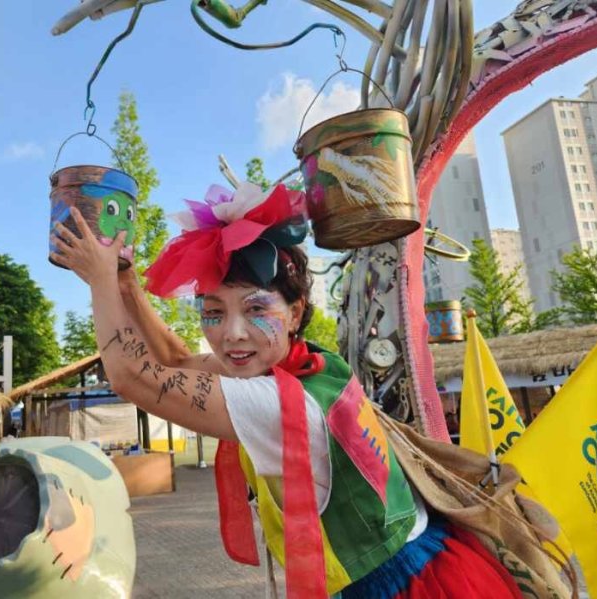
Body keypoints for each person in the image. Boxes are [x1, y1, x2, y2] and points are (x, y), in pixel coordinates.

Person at [49, 183, 548, 598]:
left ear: (295, 309)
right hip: (433, 561)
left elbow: (134, 377)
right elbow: (176, 359)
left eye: (256, 308)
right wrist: (125, 283)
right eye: (214, 314)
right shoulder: (313, 363)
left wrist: (97, 283)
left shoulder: (274, 402)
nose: (233, 334)